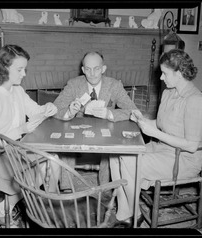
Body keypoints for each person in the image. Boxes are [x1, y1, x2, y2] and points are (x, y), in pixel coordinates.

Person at [109, 49, 202, 226]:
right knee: (116, 154)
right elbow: (162, 124)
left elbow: (192, 146)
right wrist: (142, 121)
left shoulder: (195, 100)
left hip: (183, 159)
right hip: (162, 148)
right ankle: (125, 212)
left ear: (178, 74)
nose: (161, 78)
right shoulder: (168, 92)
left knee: (129, 161)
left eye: (164, 73)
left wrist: (154, 133)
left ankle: (135, 213)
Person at [0, 44, 58, 226]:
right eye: (20, 69)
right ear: (4, 68)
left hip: (12, 151)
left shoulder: (17, 90)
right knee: (42, 167)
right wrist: (21, 130)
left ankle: (42, 208)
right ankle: (39, 209)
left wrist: (48, 108)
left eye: (24, 69)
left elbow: (36, 110)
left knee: (53, 160)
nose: (24, 74)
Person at [53, 51, 138, 190]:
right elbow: (55, 109)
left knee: (111, 147)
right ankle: (67, 189)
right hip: (77, 135)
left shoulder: (114, 85)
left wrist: (109, 113)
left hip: (105, 134)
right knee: (66, 142)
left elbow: (133, 111)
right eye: (88, 69)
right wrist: (69, 112)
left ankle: (105, 188)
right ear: (83, 70)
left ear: (103, 69)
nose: (92, 73)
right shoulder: (74, 84)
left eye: (96, 69)